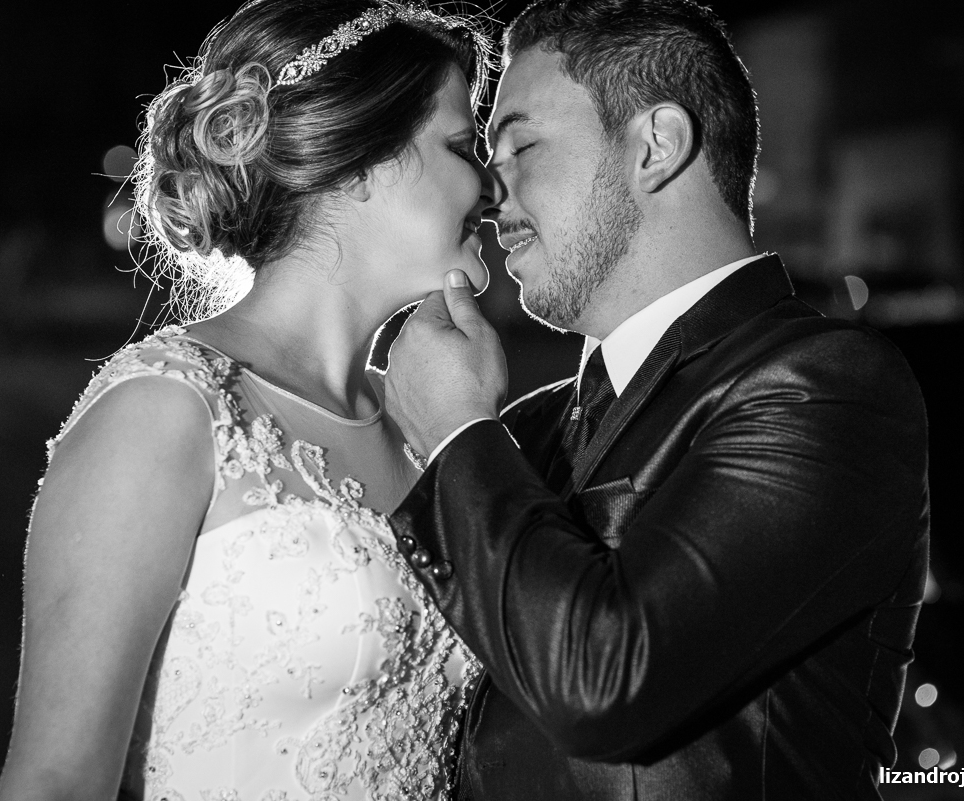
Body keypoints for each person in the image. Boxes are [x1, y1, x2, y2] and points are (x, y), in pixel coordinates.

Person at [383, 0, 930, 798]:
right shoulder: (525, 425)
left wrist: (456, 432)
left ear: (657, 146)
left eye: (521, 146)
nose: (488, 193)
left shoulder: (826, 386)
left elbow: (609, 682)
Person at [0, 2, 495, 799]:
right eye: (464, 147)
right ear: (357, 161)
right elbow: (56, 781)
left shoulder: (424, 424)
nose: (491, 187)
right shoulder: (170, 410)